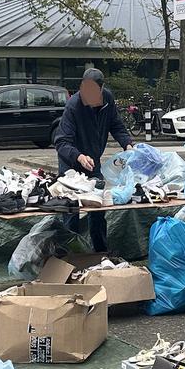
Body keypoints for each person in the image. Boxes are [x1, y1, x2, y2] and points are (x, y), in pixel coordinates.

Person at [53, 68, 133, 252]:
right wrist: (79, 157)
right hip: (71, 164)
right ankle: (69, 255)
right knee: (71, 210)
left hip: (93, 161)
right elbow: (61, 142)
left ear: (102, 88)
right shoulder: (74, 105)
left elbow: (117, 125)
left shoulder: (108, 100)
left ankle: (100, 252)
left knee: (98, 209)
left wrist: (128, 145)